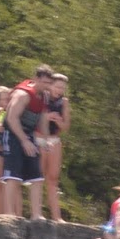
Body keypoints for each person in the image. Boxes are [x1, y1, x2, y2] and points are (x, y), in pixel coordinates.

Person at [1, 65, 55, 216]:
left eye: (49, 83)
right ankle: (9, 214)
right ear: (36, 79)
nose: (47, 86)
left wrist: (45, 139)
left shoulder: (44, 95)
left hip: (29, 135)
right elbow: (11, 118)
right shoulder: (22, 95)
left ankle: (36, 215)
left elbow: (43, 118)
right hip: (12, 134)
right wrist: (24, 141)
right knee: (13, 175)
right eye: (44, 82)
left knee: (36, 176)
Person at [37, 73, 72, 223]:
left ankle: (56, 216)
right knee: (37, 177)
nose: (59, 90)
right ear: (50, 85)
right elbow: (31, 120)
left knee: (53, 178)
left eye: (62, 88)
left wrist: (57, 120)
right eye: (57, 86)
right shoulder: (40, 97)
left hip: (54, 139)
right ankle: (37, 213)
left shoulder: (63, 102)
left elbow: (65, 126)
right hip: (39, 139)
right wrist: (45, 117)